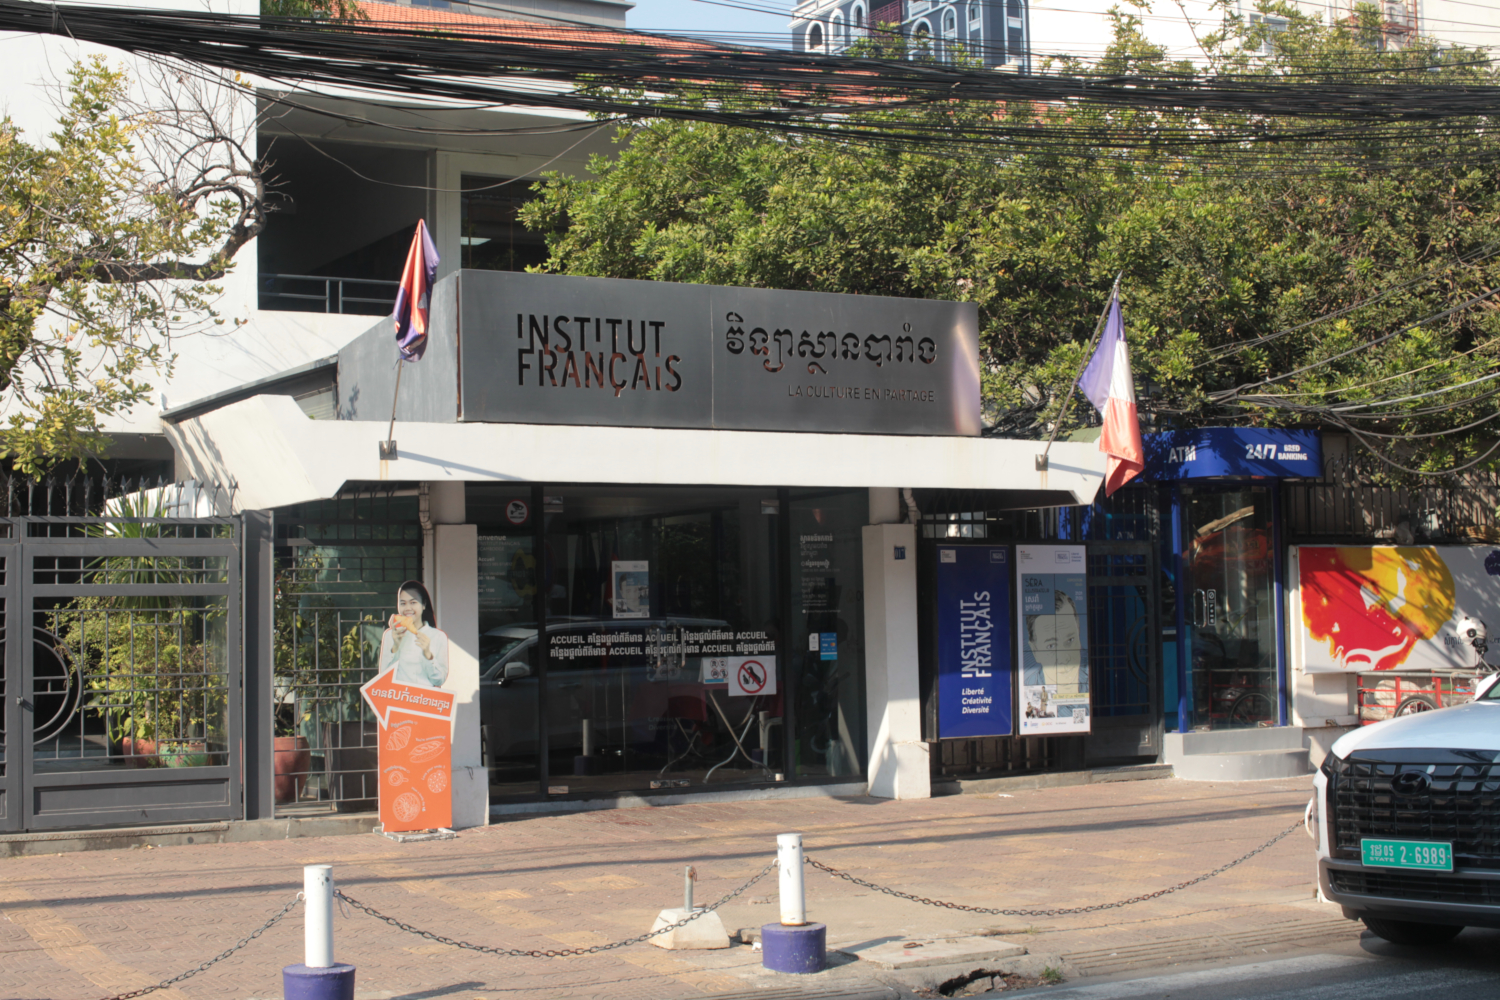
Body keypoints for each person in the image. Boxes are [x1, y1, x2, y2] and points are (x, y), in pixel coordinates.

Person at [381, 580, 450, 688]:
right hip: (398, 700)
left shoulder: (438, 636)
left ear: (423, 605)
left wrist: (428, 655)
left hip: (426, 701)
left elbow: (439, 680)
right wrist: (395, 647)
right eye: (403, 603)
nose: (408, 608)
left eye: (413, 602)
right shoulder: (390, 635)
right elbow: (383, 677)